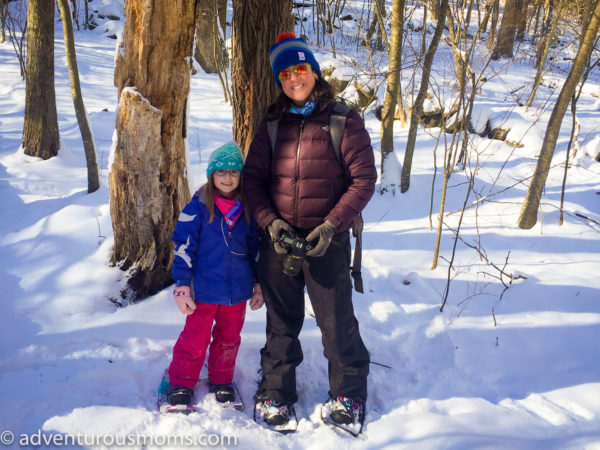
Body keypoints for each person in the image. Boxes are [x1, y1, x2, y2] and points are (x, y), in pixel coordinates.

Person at [243, 32, 377, 426]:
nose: (294, 78)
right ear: (280, 81)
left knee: (336, 323)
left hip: (326, 244)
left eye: (300, 68)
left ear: (314, 73)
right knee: (281, 324)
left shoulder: (343, 120)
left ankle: (349, 394)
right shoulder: (271, 124)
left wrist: (332, 226)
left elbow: (363, 180)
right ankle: (275, 393)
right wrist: (272, 223)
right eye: (285, 73)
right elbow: (253, 180)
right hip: (280, 243)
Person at [167, 141, 264, 406]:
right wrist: (182, 285)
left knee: (229, 338)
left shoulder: (249, 209)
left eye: (233, 172)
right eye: (221, 172)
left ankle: (222, 379)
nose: (227, 177)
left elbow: (256, 250)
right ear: (212, 175)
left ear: (241, 176)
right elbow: (184, 246)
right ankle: (181, 382)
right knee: (195, 337)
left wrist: (258, 284)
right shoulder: (198, 206)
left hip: (237, 291)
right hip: (204, 290)